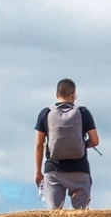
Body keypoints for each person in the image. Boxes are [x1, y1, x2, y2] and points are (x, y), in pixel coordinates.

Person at [34, 79, 99, 209]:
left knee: (55, 215)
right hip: (80, 170)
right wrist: (82, 144)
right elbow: (95, 140)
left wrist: (38, 172)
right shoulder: (83, 113)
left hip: (54, 171)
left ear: (56, 94)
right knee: (82, 216)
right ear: (73, 94)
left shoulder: (45, 113)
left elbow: (38, 145)